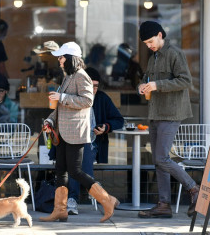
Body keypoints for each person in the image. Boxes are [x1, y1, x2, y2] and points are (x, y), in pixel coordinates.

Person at [39, 42, 119, 223]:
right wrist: (50, 120)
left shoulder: (82, 76)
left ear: (70, 58)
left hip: (75, 132)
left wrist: (63, 97)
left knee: (75, 171)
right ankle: (60, 210)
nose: (59, 60)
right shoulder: (68, 77)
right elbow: (61, 106)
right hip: (63, 132)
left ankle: (108, 200)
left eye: (61, 57)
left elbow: (87, 100)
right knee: (60, 171)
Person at [137, 21, 199, 219]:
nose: (149, 45)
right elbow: (147, 78)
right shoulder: (153, 57)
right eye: (146, 43)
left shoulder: (175, 53)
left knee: (162, 158)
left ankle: (193, 189)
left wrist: (157, 85)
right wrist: (142, 85)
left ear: (160, 35)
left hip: (171, 113)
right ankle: (164, 204)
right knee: (159, 162)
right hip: (155, 113)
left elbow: (186, 81)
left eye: (150, 41)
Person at [67, 67, 124, 215]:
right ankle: (105, 198)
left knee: (76, 163)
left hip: (92, 142)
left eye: (96, 86)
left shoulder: (102, 98)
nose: (93, 89)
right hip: (70, 141)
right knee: (76, 162)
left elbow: (119, 120)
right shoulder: (73, 96)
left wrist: (105, 127)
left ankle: (72, 199)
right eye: (90, 85)